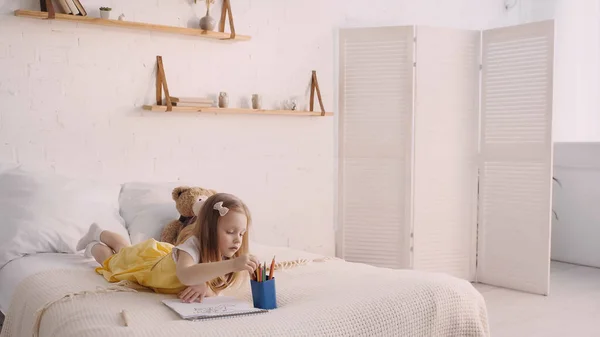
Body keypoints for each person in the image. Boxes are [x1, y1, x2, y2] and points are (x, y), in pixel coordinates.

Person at [76, 192, 260, 303]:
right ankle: (95, 239)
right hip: (151, 270)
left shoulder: (227, 254)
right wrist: (233, 265)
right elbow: (186, 275)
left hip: (160, 263)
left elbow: (217, 287)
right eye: (230, 232)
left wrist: (207, 290)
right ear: (208, 230)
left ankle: (97, 238)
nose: (238, 240)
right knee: (113, 260)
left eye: (242, 233)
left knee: (124, 249)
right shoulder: (193, 245)